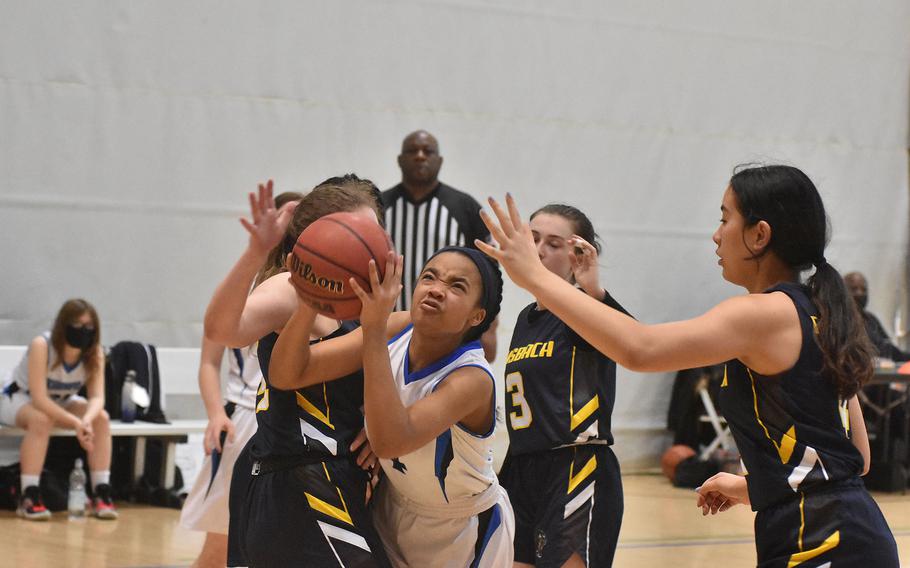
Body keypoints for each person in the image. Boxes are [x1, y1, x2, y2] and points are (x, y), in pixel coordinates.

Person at [477, 165, 899, 567]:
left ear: (759, 235)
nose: (716, 236)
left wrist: (536, 278)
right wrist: (745, 486)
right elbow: (854, 458)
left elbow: (640, 349)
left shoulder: (762, 314)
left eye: (725, 218)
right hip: (837, 530)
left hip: (825, 540)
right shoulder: (819, 313)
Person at [270, 246, 515, 568]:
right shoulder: (398, 326)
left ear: (477, 316)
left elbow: (389, 442)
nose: (437, 290)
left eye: (457, 286)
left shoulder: (472, 378)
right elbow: (287, 374)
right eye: (430, 276)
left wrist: (372, 331)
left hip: (460, 530)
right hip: (391, 506)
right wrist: (308, 302)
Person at [204, 177, 391, 567]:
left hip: (332, 477)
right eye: (356, 234)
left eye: (373, 233)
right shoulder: (291, 289)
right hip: (296, 479)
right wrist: (256, 251)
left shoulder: (369, 300)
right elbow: (222, 331)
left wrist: (381, 427)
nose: (368, 245)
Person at [499, 204, 630, 568]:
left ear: (579, 256)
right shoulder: (527, 318)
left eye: (553, 243)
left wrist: (593, 290)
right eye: (534, 238)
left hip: (575, 464)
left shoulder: (585, 308)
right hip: (523, 466)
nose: (539, 249)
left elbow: (631, 341)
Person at [180, 191, 300, 567]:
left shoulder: (313, 290)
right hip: (242, 419)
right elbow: (207, 361)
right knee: (220, 547)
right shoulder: (241, 289)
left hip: (293, 427)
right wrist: (216, 413)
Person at [382, 130, 498, 360]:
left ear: (440, 160)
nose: (420, 156)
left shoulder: (464, 207)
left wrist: (489, 327)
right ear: (399, 160)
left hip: (449, 339)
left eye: (428, 151)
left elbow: (489, 273)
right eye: (412, 151)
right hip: (389, 334)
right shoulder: (380, 207)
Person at [0, 298, 118, 521]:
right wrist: (76, 423)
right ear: (63, 326)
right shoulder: (42, 346)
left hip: (62, 401)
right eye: (77, 325)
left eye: (89, 327)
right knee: (41, 420)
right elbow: (40, 398)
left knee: (101, 418)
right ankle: (29, 495)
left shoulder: (95, 353)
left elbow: (97, 398)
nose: (83, 331)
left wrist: (87, 420)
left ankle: (101, 492)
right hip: (17, 397)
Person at [844, 271, 910, 362]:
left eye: (864, 289)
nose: (860, 293)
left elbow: (890, 349)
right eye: (854, 289)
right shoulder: (838, 321)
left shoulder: (871, 319)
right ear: (842, 291)